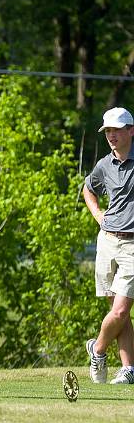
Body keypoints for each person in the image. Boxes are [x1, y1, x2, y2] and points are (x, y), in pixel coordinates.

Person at [82, 106, 134, 385]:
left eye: (116, 130)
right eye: (108, 131)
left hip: (133, 247)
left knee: (121, 310)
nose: (111, 136)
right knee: (118, 310)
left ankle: (98, 349)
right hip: (108, 241)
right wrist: (98, 214)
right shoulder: (104, 164)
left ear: (131, 131)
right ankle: (128, 369)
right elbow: (88, 188)